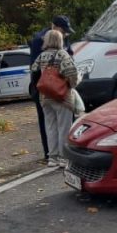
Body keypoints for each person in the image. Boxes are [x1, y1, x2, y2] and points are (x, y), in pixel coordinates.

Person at [30, 29, 79, 168]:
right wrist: (72, 85)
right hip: (61, 96)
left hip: (45, 97)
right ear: (60, 40)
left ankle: (52, 158)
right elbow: (72, 74)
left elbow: (34, 70)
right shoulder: (63, 54)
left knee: (50, 127)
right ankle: (63, 157)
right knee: (64, 127)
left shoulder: (41, 56)